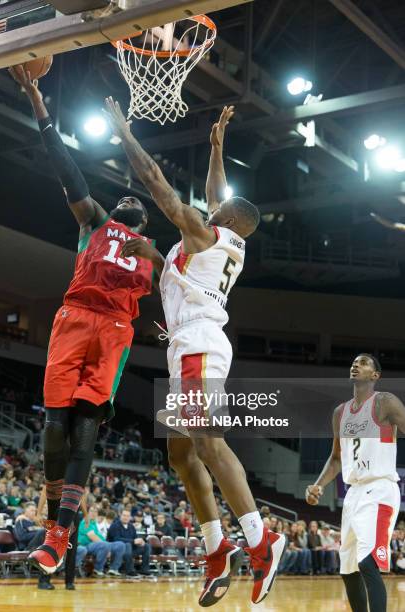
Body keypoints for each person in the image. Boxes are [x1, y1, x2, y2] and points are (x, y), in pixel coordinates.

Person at [104, 99, 285, 606]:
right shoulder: (216, 244)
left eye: (218, 205)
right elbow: (215, 193)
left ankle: (261, 540)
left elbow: (158, 182)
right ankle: (216, 547)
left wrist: (125, 136)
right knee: (181, 453)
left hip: (199, 345)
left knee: (207, 445)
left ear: (226, 218)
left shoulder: (205, 234)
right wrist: (216, 144)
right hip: (188, 343)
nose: (211, 203)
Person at [8, 61, 156, 576]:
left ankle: (61, 533)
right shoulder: (96, 220)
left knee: (85, 431)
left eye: (138, 200)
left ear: (145, 219)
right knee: (54, 427)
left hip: (115, 332)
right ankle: (55, 524)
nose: (130, 197)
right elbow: (65, 167)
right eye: (126, 196)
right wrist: (40, 106)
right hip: (75, 318)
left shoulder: (150, 251)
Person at [306, 354, 405, 612]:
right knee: (348, 568)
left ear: (375, 375)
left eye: (363, 363)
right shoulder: (340, 413)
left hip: (380, 488)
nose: (356, 364)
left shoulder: (385, 402)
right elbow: (337, 458)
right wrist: (319, 485)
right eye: (354, 362)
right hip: (353, 494)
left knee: (367, 563)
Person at [76, 506, 125, 577]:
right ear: (87, 512)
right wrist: (107, 547)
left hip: (98, 544)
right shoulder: (85, 522)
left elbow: (99, 537)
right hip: (86, 546)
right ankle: (97, 569)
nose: (93, 513)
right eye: (91, 511)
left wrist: (107, 544)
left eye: (95, 512)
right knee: (105, 545)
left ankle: (113, 569)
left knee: (120, 545)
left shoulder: (94, 523)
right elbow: (93, 537)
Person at [108, 509, 150, 577]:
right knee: (127, 545)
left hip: (130, 551)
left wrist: (141, 541)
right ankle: (130, 570)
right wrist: (133, 541)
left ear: (130, 517)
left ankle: (144, 570)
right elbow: (116, 539)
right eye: (124, 515)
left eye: (128, 516)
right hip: (117, 550)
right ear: (120, 515)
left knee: (146, 546)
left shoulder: (131, 526)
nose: (126, 517)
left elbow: (135, 538)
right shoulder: (115, 525)